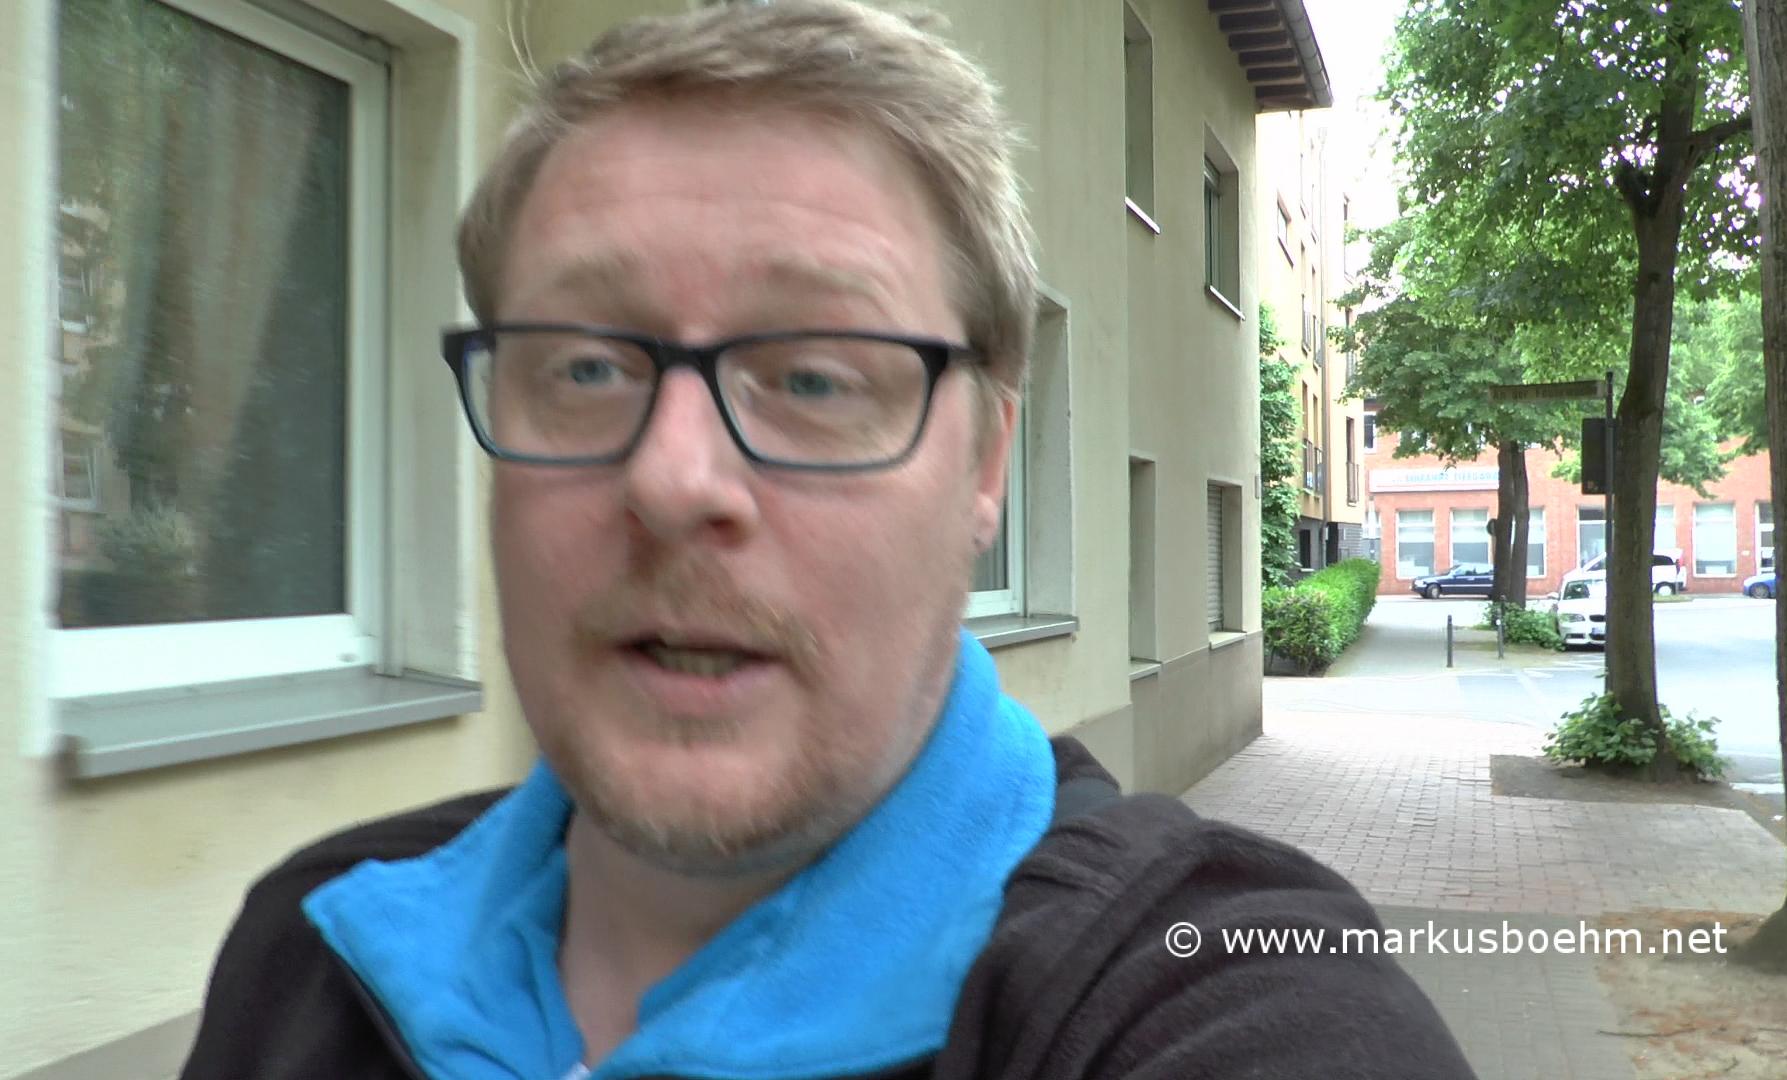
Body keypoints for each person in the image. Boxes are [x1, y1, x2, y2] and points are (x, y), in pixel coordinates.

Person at [181, 2, 1474, 1077]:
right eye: (583, 367)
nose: (673, 481)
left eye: (813, 378)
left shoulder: (1215, 998)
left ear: (984, 465)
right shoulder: (313, 947)